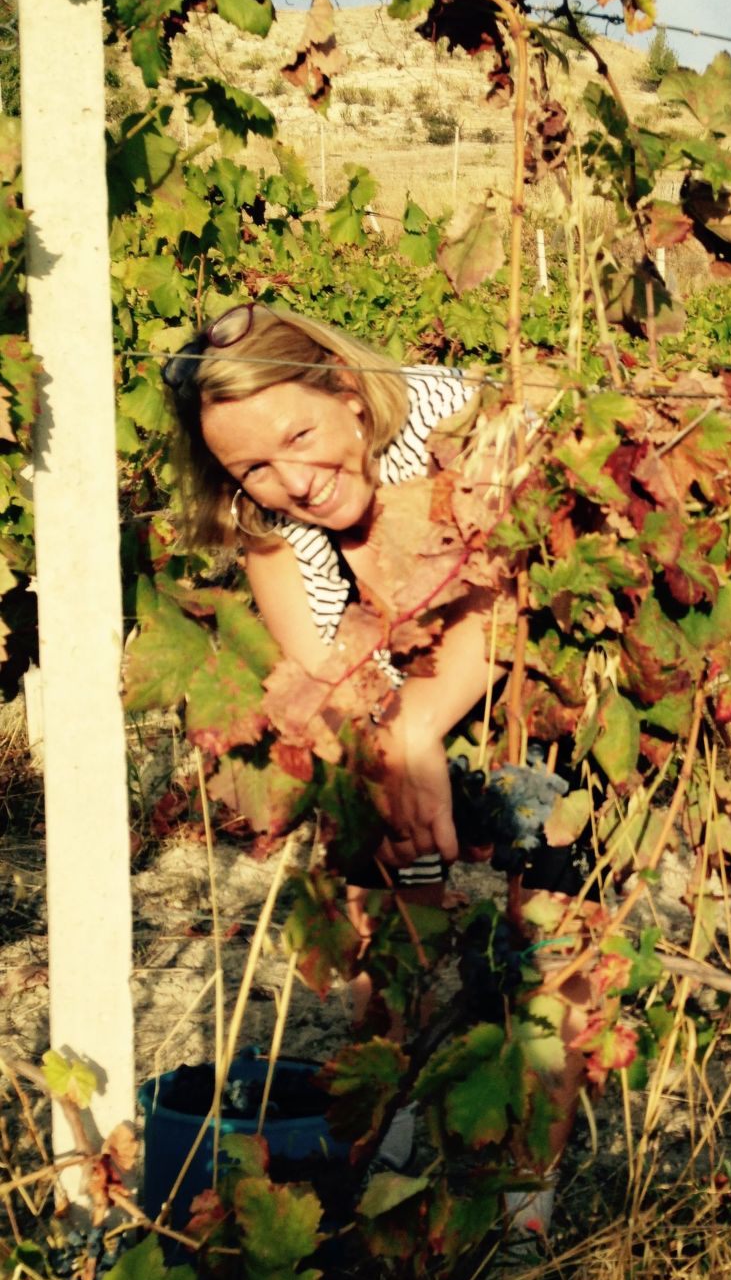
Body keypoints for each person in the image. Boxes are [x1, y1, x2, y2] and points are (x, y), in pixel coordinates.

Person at [162, 299, 501, 903]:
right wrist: (382, 768)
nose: (295, 481)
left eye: (300, 436)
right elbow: (331, 685)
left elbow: (519, 591)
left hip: (527, 689)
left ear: (349, 393)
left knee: (550, 938)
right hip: (396, 728)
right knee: (380, 889)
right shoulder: (266, 519)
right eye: (255, 467)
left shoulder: (461, 428)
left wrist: (414, 726)